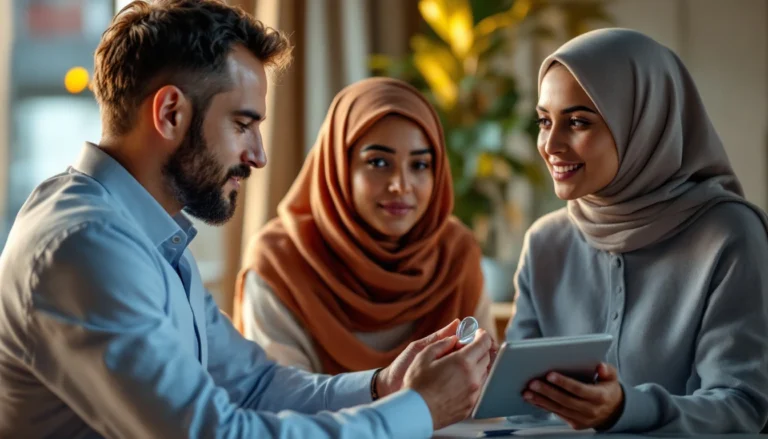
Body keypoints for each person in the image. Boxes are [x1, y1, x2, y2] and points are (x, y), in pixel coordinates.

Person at [0, 1, 494, 437]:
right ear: (171, 113)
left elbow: (253, 384)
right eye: (243, 124)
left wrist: (383, 384)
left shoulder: (148, 234)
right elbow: (214, 432)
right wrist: (418, 410)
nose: (258, 156)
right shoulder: (86, 246)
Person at [507, 28, 768, 434]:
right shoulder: (545, 243)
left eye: (577, 121)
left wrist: (626, 409)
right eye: (544, 121)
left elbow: (743, 407)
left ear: (643, 122)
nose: (550, 145)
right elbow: (518, 407)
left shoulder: (729, 235)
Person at [232, 77, 495, 375]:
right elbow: (281, 400)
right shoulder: (281, 261)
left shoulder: (455, 254)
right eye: (378, 163)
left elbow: (484, 386)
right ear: (339, 166)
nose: (401, 185)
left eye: (420, 165)